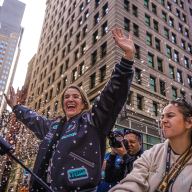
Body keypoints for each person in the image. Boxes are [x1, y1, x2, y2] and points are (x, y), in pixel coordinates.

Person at [4, 27, 136, 192]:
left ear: (84, 104)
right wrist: (16, 107)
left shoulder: (93, 121)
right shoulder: (53, 126)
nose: (70, 99)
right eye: (66, 97)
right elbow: (33, 119)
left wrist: (127, 60)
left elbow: (111, 96)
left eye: (75, 96)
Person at [109, 98, 192, 192]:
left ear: (189, 122)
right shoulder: (153, 153)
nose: (163, 121)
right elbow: (133, 181)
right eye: (162, 117)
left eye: (170, 116)